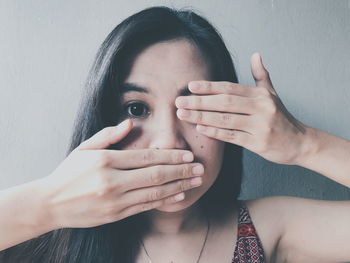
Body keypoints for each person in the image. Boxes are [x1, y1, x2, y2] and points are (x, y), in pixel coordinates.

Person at [0, 5, 350, 263]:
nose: (168, 140)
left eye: (195, 108)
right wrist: (47, 205)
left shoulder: (269, 228)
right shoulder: (43, 234)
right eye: (137, 109)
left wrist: (303, 143)